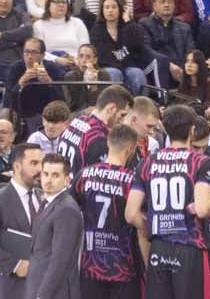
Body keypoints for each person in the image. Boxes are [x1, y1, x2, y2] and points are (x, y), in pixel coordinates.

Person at [125, 106, 210, 297]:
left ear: (166, 129)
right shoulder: (201, 161)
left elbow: (130, 214)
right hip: (190, 247)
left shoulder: (147, 162)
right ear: (192, 130)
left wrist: (153, 225)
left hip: (159, 246)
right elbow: (201, 209)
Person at [73, 123, 139, 299]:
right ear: (131, 149)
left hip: (90, 263)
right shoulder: (132, 181)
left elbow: (71, 209)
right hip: (123, 265)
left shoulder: (84, 175)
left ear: (108, 143)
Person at [0, 142, 44, 299]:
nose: (40, 169)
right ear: (18, 166)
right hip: (6, 288)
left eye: (41, 163)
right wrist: (15, 264)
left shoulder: (43, 198)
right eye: (34, 163)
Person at [24, 152, 83, 299]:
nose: (49, 180)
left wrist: (42, 295)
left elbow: (60, 260)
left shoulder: (66, 209)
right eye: (46, 174)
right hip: (39, 285)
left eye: (55, 175)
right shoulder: (49, 202)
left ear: (67, 179)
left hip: (56, 292)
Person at [57, 84, 133, 178]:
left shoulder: (76, 122)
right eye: (122, 115)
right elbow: (96, 181)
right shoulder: (98, 138)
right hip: (78, 189)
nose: (122, 121)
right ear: (111, 108)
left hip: (63, 183)